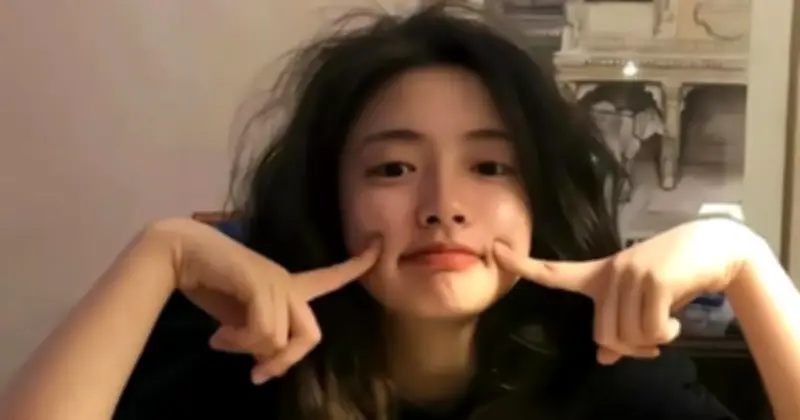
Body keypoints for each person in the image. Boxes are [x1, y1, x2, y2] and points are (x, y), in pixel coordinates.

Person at [1, 3, 799, 420]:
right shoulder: (237, 358)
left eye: (490, 167)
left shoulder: (607, 375)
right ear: (332, 197)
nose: (443, 207)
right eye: (393, 169)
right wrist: (161, 253)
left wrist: (745, 261)